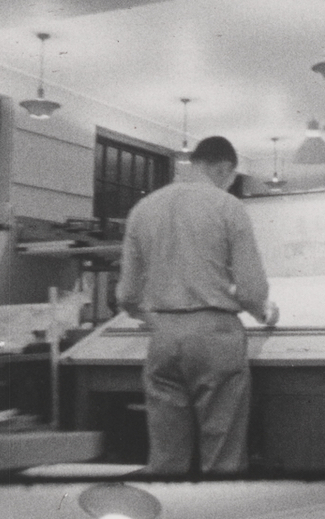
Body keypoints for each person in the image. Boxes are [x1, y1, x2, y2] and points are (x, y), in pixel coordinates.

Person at [116, 136, 278, 476]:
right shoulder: (227, 206)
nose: (230, 183)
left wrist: (157, 318)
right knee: (222, 459)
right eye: (231, 177)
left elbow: (127, 296)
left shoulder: (143, 209)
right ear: (223, 168)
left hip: (162, 336)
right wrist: (265, 313)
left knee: (166, 461)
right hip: (215, 336)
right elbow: (251, 289)